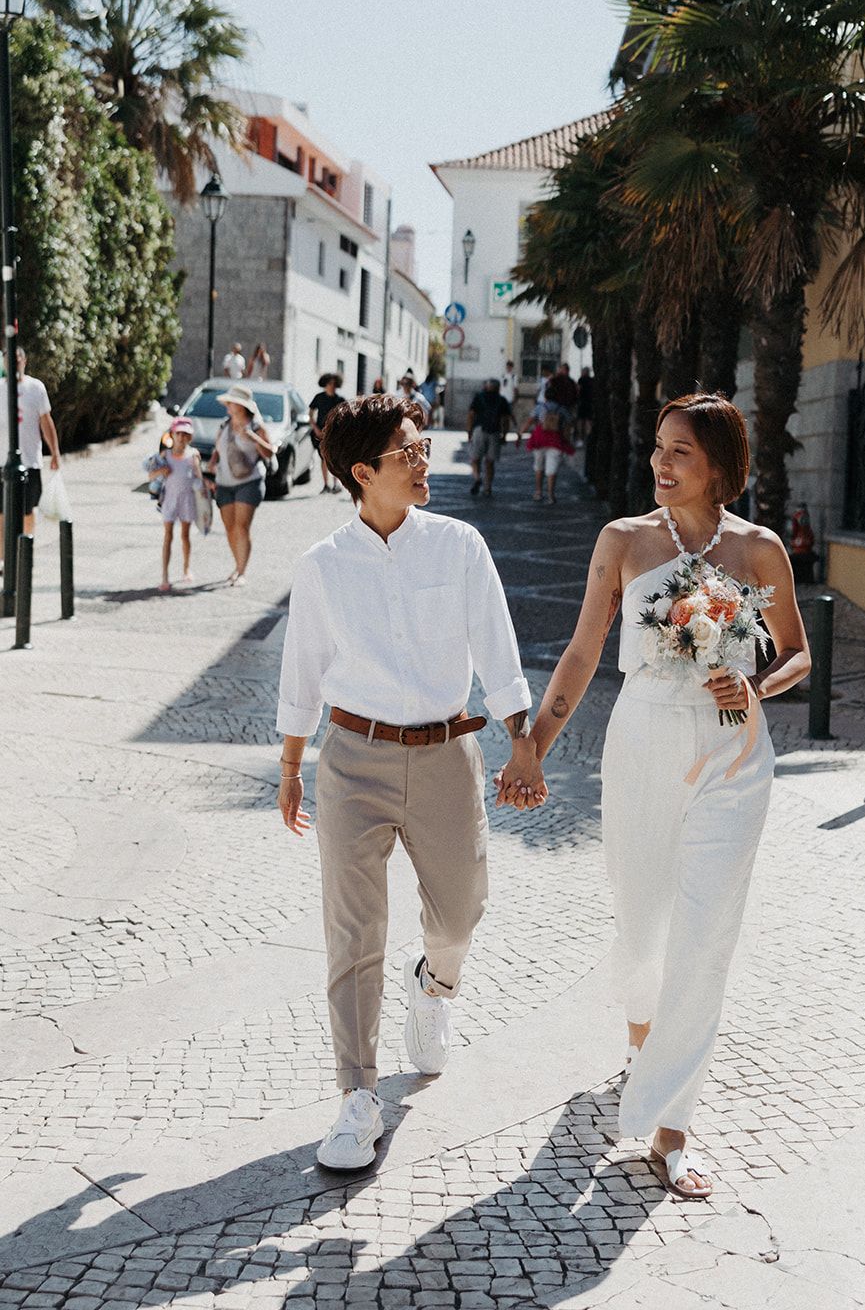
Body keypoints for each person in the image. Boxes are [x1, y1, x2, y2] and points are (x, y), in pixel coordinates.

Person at [497, 392, 810, 1198]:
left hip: (733, 752)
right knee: (641, 930)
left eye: (679, 453)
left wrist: (754, 683)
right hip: (641, 737)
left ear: (718, 468)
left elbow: (797, 655)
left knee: (706, 935)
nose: (659, 464)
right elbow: (580, 649)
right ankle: (644, 1043)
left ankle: (672, 1126)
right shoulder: (624, 539)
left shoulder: (759, 548)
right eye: (659, 450)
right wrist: (532, 746)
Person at [275, 393, 540, 1175]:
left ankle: (435, 984)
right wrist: (291, 766)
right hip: (351, 758)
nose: (424, 461)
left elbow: (497, 647)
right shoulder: (322, 566)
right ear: (363, 472)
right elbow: (302, 671)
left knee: (461, 911)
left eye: (423, 447)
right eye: (408, 453)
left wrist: (520, 740)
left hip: (444, 756)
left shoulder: (458, 546)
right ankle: (357, 1098)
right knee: (353, 932)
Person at [208, 383, 276, 587]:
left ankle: (242, 572)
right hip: (223, 483)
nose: (227, 405)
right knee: (230, 528)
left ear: (241, 406)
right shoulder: (224, 425)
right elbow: (217, 450)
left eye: (231, 403)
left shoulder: (256, 427)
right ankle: (237, 565)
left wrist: (253, 438)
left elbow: (270, 452)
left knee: (242, 527)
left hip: (249, 482)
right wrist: (212, 462)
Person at [0, 346, 62, 540]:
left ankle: (25, 557)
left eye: (17, 358)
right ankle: (2, 561)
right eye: (8, 358)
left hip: (30, 461)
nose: (13, 362)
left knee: (27, 512)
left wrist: (55, 453)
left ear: (24, 361)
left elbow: (46, 421)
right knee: (2, 514)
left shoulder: (36, 387)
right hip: (2, 462)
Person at [146, 417, 205, 591]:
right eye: (178, 433)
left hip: (187, 500)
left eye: (185, 434)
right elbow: (150, 476)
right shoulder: (165, 455)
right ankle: (165, 576)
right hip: (169, 500)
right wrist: (161, 471)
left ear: (189, 437)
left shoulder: (193, 455)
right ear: (172, 435)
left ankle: (186, 568)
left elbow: (198, 478)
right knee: (168, 536)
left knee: (185, 536)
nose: (181, 437)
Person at [467, 378, 512, 498]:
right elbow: (505, 419)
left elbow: (471, 415)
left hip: (479, 430)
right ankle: (488, 488)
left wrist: (469, 431)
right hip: (495, 432)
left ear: (487, 387)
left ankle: (477, 477)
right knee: (490, 462)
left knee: (475, 459)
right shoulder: (502, 400)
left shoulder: (479, 397)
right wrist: (505, 435)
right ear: (498, 388)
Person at [522, 407, 574, 504]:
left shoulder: (540, 407)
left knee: (538, 467)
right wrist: (567, 440)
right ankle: (551, 495)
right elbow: (569, 423)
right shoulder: (562, 409)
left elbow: (530, 420)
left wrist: (521, 433)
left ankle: (538, 492)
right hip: (556, 440)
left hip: (539, 439)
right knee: (552, 469)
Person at [310, 374, 345, 493]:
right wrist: (315, 428)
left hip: (334, 433)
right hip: (320, 433)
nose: (332, 386)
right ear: (325, 384)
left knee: (334, 458)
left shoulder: (340, 400)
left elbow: (344, 417)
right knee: (324, 457)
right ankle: (326, 485)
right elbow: (310, 414)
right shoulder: (319, 397)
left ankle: (336, 484)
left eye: (334, 384)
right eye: (330, 384)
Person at [576, 366, 595, 444]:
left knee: (580, 421)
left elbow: (578, 390)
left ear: (584, 372)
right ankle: (589, 437)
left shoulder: (581, 379)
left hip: (582, 402)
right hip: (590, 402)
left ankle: (580, 438)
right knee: (588, 421)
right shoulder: (592, 380)